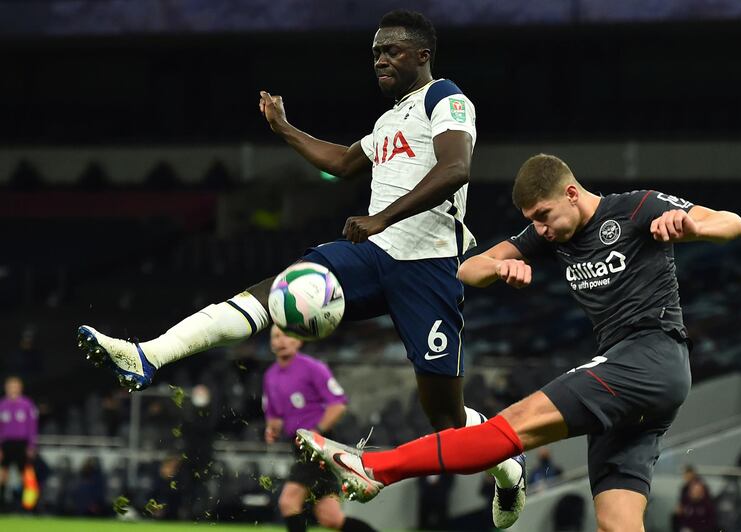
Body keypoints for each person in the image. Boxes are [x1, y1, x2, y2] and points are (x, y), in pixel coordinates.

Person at [76, 9, 525, 527]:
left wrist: (380, 217)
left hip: (428, 268)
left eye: (392, 51)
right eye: (376, 51)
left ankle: (508, 469)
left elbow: (456, 168)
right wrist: (284, 128)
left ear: (422, 55)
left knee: (445, 418)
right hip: (371, 257)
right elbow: (340, 163)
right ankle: (147, 355)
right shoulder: (389, 119)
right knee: (273, 291)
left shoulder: (444, 98)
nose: (380, 59)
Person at [296, 153, 741, 532]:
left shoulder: (637, 208)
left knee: (510, 427)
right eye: (531, 222)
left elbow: (733, 222)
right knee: (617, 521)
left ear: (571, 193)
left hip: (650, 357)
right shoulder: (549, 236)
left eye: (543, 216)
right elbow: (467, 269)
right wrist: (500, 269)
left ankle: (376, 468)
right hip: (637, 384)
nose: (541, 230)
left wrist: (689, 224)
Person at [264, 326, 374, 532]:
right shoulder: (270, 376)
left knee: (288, 502)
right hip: (297, 447)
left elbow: (338, 404)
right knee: (330, 517)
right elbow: (274, 415)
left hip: (318, 446)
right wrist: (272, 429)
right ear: (271, 343)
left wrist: (316, 430)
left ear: (299, 341)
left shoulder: (313, 368)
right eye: (276, 336)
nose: (281, 341)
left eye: (286, 335)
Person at [0, 376, 38, 510]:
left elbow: (32, 427)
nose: (13, 388)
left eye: (15, 386)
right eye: (10, 386)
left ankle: (28, 507)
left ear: (20, 388)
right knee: (2, 474)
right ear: (6, 388)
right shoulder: (2, 405)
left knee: (26, 475)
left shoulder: (27, 405)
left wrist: (31, 446)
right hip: (5, 444)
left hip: (22, 444)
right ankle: (2, 505)